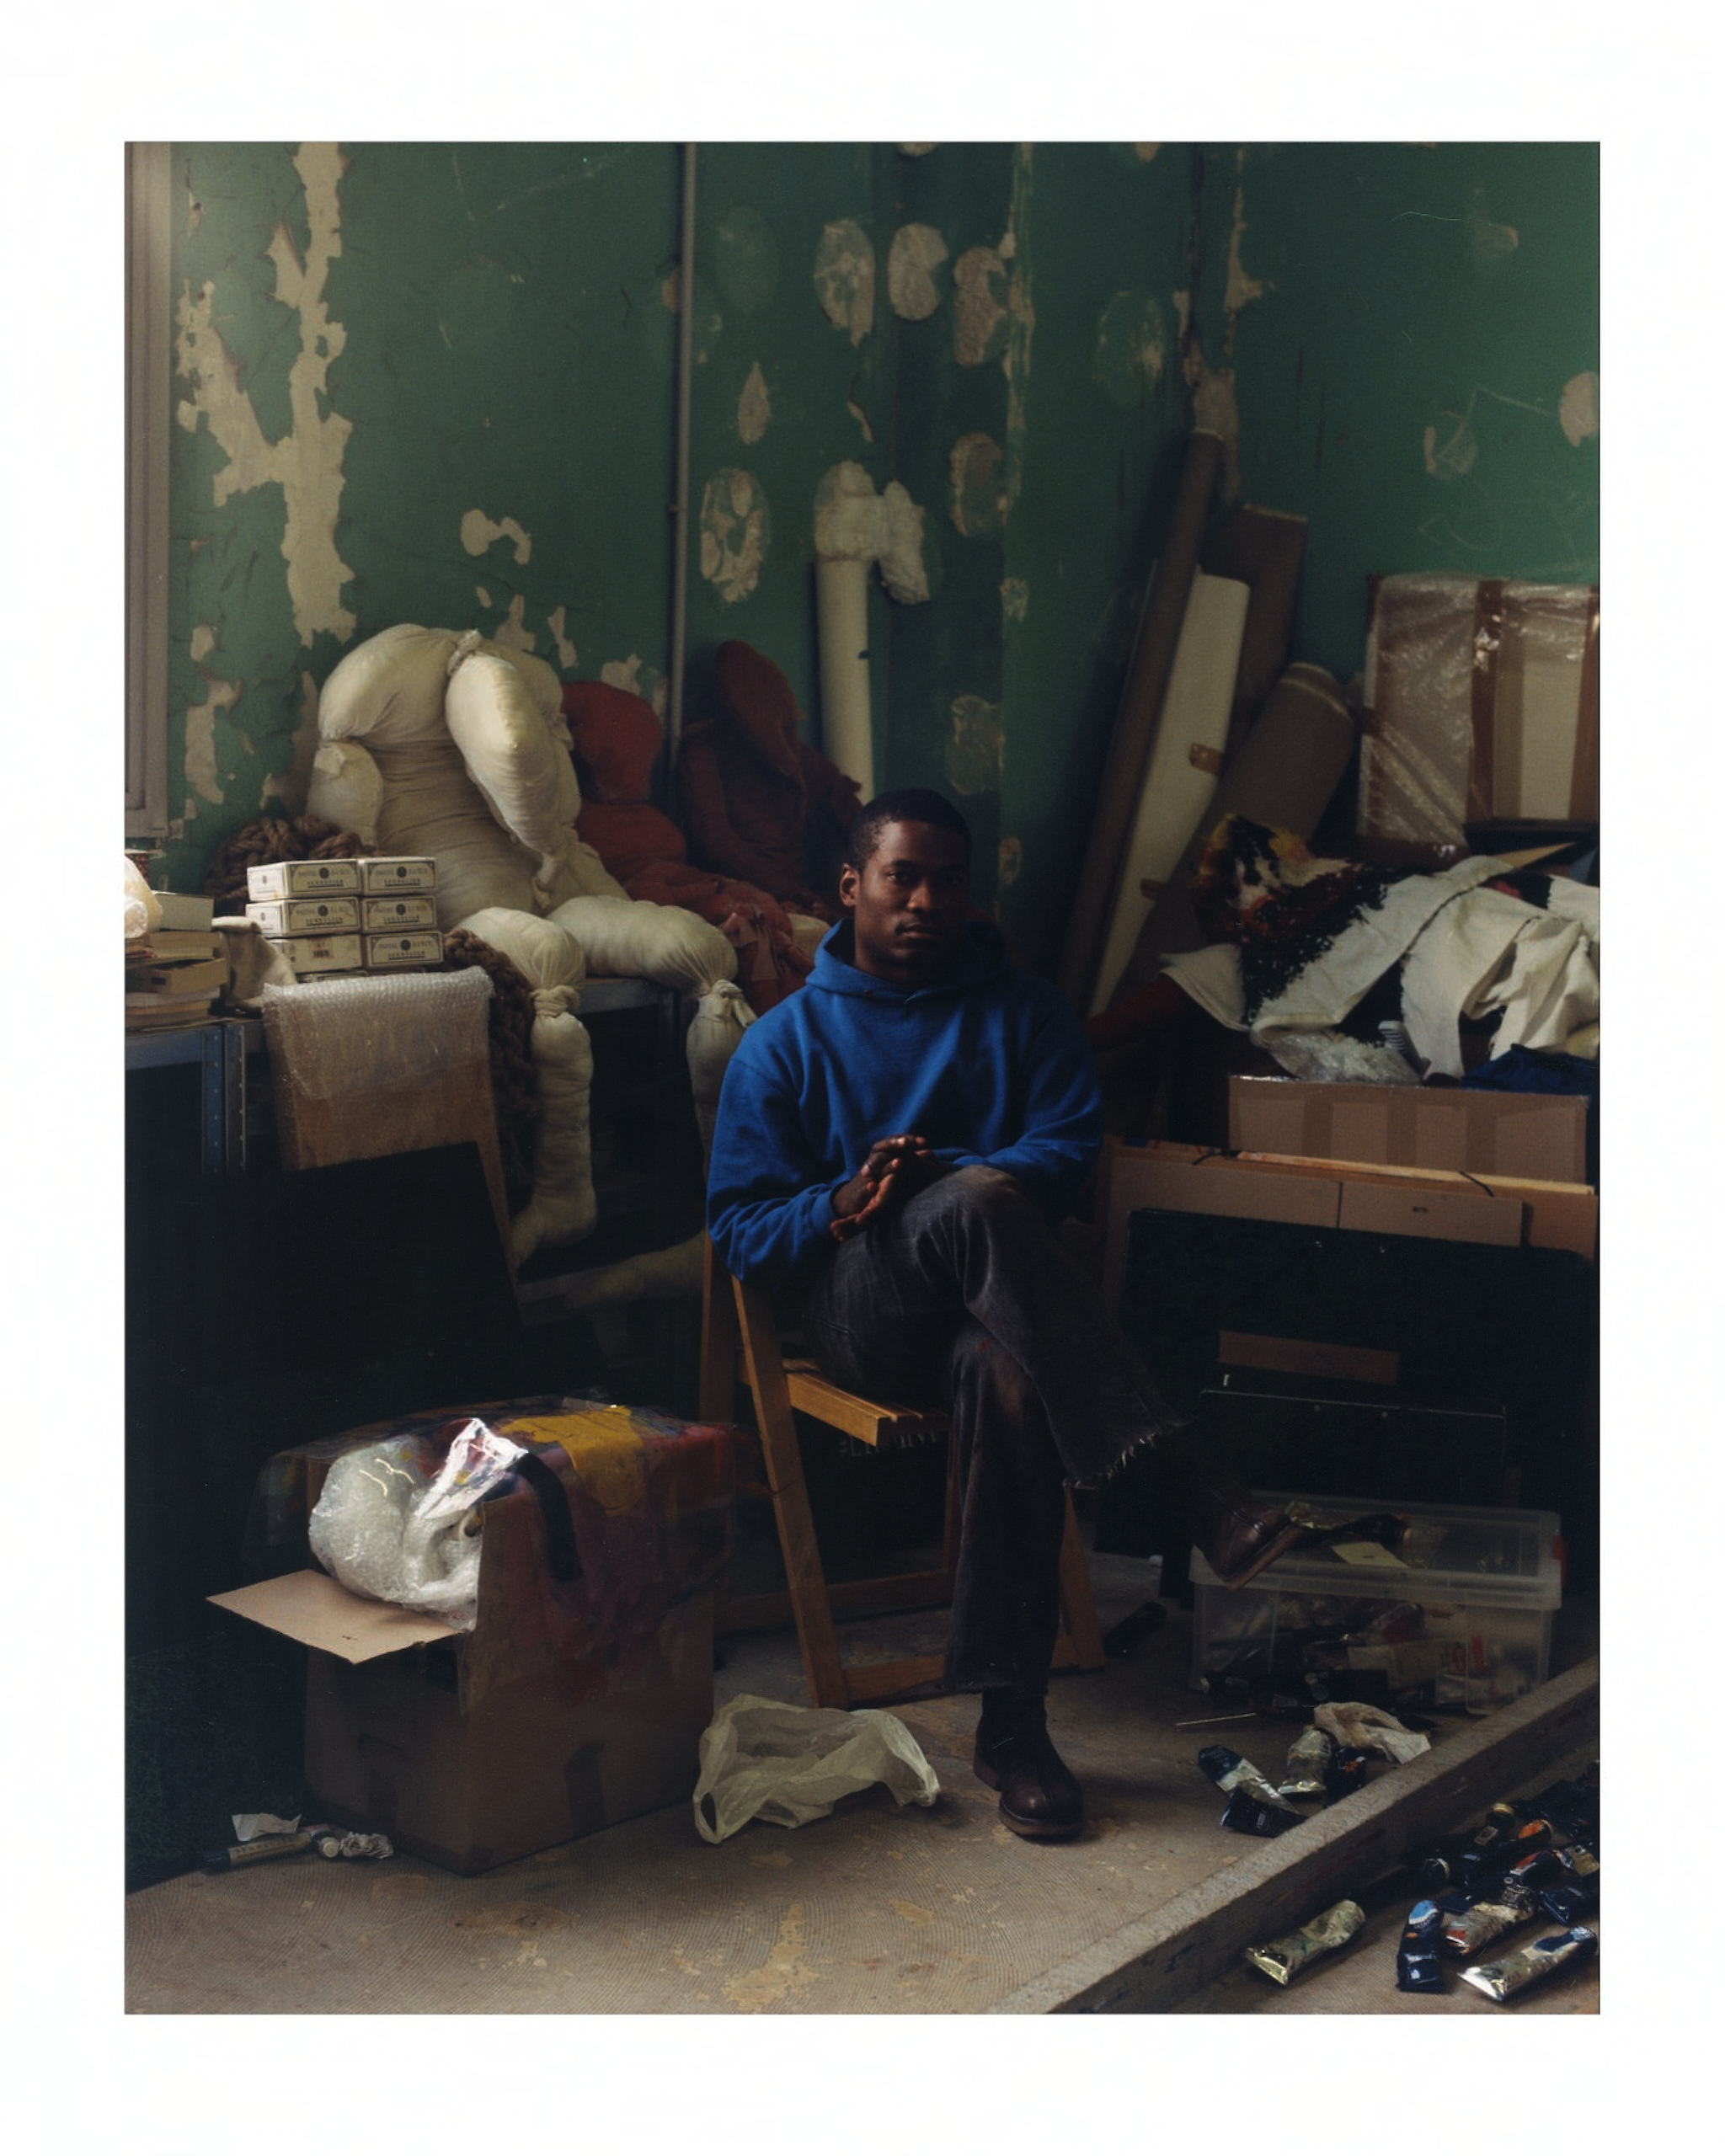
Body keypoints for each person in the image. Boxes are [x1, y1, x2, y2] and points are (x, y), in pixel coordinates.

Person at [706, 787, 1295, 1842]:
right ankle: (1183, 1481)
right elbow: (740, 1231)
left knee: (1010, 1368)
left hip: (1006, 1319)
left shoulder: (1024, 1012)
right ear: (850, 887)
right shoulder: (783, 1042)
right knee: (973, 1199)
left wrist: (945, 1181)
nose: (925, 901)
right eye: (901, 877)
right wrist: (847, 1198)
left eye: (947, 881)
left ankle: (1011, 1727)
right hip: (865, 1319)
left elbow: (1065, 1156)